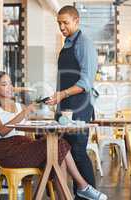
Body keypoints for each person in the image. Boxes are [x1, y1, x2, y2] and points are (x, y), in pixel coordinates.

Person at [0, 71, 107, 200]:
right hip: (8, 152)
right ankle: (83, 187)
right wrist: (24, 113)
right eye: (4, 84)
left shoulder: (19, 106)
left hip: (23, 145)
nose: (9, 87)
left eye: (10, 83)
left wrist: (48, 108)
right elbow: (1, 130)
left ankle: (77, 190)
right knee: (59, 146)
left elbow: (32, 124)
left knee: (58, 150)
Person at [46, 5, 98, 199]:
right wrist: (57, 98)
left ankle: (90, 194)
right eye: (59, 23)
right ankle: (69, 195)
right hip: (65, 105)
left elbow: (85, 82)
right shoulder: (67, 43)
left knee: (77, 150)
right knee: (62, 151)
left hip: (80, 105)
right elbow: (67, 78)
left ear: (77, 21)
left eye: (65, 22)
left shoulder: (84, 43)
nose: (61, 27)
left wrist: (62, 95)